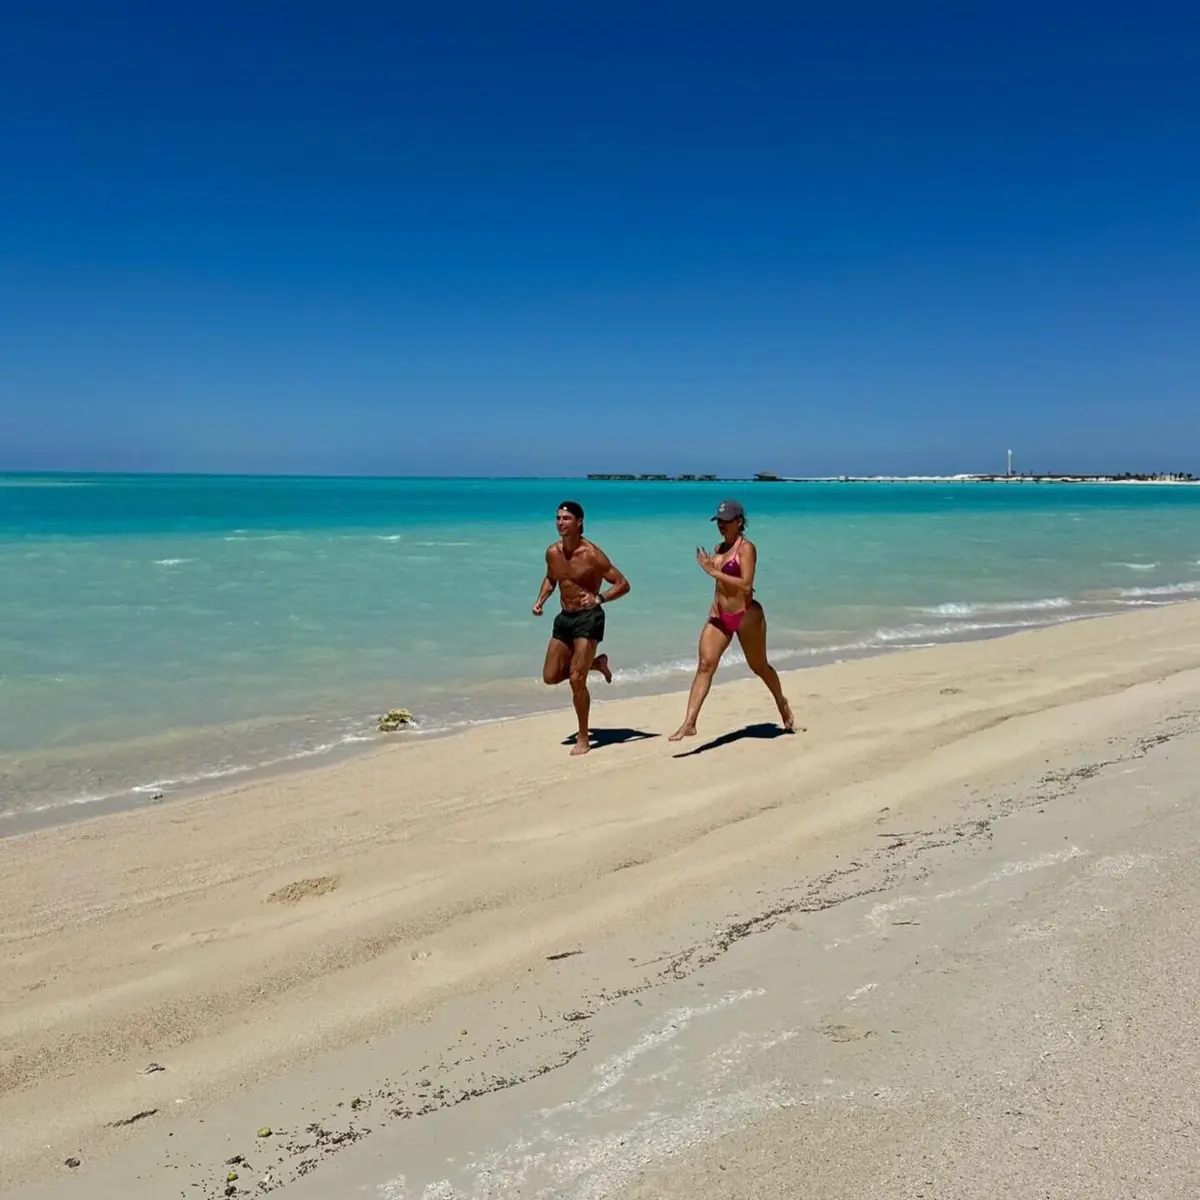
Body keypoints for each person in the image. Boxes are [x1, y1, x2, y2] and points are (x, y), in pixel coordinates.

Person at [669, 498, 794, 741]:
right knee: (705, 665)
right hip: (719, 615)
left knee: (759, 667)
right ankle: (689, 722)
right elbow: (720, 585)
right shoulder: (718, 549)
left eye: (726, 521)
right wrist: (714, 573)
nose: (721, 525)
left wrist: (714, 572)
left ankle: (781, 701)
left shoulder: (746, 549)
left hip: (746, 615)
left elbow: (746, 584)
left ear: (739, 522)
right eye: (719, 521)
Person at [533, 501, 631, 755]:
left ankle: (584, 737)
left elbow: (622, 584)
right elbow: (551, 578)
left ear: (579, 522)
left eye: (566, 519)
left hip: (589, 618)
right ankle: (596, 663)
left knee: (577, 679)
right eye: (558, 518)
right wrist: (541, 600)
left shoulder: (592, 554)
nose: (561, 523)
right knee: (550, 676)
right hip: (565, 618)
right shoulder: (552, 552)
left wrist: (599, 598)